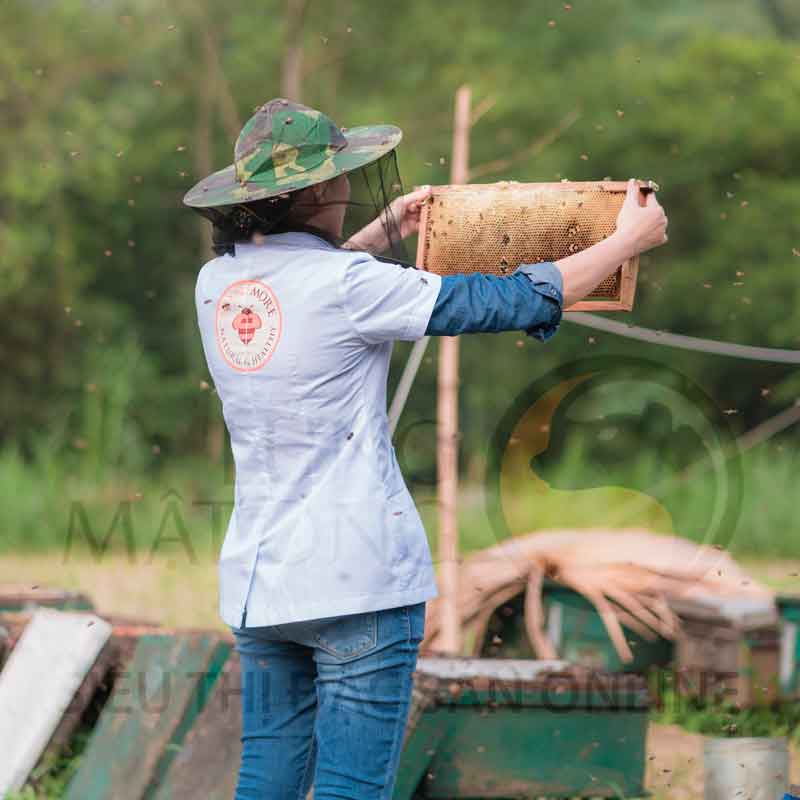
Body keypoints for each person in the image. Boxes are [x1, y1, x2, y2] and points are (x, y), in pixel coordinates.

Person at [183, 98, 668, 800]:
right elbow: (506, 301)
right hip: (357, 580)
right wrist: (628, 241)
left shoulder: (219, 287)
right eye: (342, 176)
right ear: (320, 191)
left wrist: (383, 232)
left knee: (268, 778)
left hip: (264, 582)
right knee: (353, 788)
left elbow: (305, 292)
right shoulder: (349, 287)